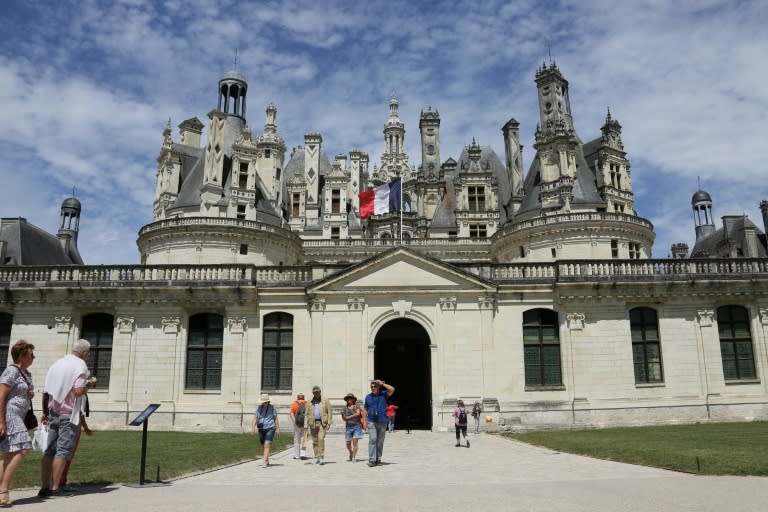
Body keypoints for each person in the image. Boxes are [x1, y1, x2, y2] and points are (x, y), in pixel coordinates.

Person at [39, 339, 96, 498]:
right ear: (84, 353)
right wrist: (90, 384)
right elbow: (78, 391)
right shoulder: (79, 366)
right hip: (68, 414)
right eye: (88, 353)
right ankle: (56, 488)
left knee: (49, 450)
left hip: (53, 412)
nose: (88, 355)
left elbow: (46, 391)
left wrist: (45, 412)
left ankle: (45, 487)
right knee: (63, 451)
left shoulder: (57, 363)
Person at [0, 340, 36, 505]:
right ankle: (3, 490)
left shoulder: (26, 373)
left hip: (20, 415)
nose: (33, 358)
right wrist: (1, 420)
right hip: (10, 415)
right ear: (22, 356)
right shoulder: (11, 371)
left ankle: (1, 492)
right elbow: (1, 396)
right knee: (24, 447)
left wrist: (28, 395)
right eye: (31, 355)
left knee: (9, 453)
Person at [363, 379, 395, 467]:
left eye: (375, 386)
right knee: (373, 439)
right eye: (371, 387)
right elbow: (365, 409)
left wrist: (382, 384)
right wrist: (364, 421)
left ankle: (378, 458)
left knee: (380, 441)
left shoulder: (384, 394)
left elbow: (392, 389)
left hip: (382, 421)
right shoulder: (368, 397)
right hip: (371, 421)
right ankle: (372, 459)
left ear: (378, 387)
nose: (373, 388)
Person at [304, 385, 331, 465]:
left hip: (322, 423)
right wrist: (306, 424)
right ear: (313, 393)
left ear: (320, 392)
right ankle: (317, 457)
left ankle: (322, 457)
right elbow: (307, 414)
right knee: (315, 441)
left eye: (317, 392)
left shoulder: (325, 400)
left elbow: (329, 411)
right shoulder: (309, 401)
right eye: (314, 392)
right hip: (313, 423)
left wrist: (329, 422)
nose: (316, 394)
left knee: (321, 439)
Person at [251, 393, 279, 467]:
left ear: (268, 401)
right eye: (263, 402)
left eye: (266, 402)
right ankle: (267, 460)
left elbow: (275, 418)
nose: (264, 403)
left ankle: (264, 462)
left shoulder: (272, 408)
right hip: (261, 428)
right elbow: (255, 418)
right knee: (263, 446)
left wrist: (278, 428)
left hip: (271, 428)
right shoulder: (258, 408)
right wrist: (253, 428)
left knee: (267, 444)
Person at [341, 393, 365, 462]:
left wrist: (349, 417)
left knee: (355, 442)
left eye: (350, 398)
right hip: (348, 427)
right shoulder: (345, 408)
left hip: (357, 427)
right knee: (348, 443)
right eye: (348, 398)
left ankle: (354, 457)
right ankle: (350, 452)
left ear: (353, 399)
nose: (349, 399)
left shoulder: (357, 406)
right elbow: (344, 419)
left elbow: (358, 414)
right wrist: (343, 415)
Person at [289, 392, 307, 459]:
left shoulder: (294, 404)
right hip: (305, 424)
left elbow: (291, 414)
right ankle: (303, 454)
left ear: (298, 397)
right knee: (303, 439)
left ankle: (296, 455)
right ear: (303, 397)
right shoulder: (307, 404)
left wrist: (295, 422)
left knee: (296, 439)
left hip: (297, 424)